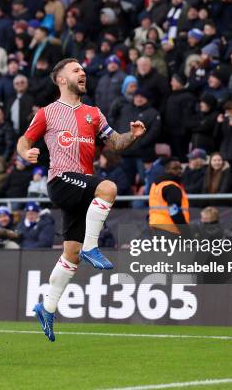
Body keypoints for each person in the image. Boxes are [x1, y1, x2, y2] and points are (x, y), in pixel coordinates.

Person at [17, 58, 146, 341]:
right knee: (109, 188)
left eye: (84, 70)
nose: (83, 73)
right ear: (61, 79)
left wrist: (133, 136)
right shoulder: (47, 113)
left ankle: (46, 307)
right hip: (62, 180)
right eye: (76, 70)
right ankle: (92, 246)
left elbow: (116, 143)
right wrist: (25, 153)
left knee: (70, 255)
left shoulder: (94, 113)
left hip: (82, 187)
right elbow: (24, 141)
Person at [148, 157, 189, 235]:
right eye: (175, 169)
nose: (179, 171)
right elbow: (174, 211)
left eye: (180, 168)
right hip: (170, 230)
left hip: (155, 227)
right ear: (166, 170)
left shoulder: (156, 185)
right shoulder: (172, 187)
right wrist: (185, 231)